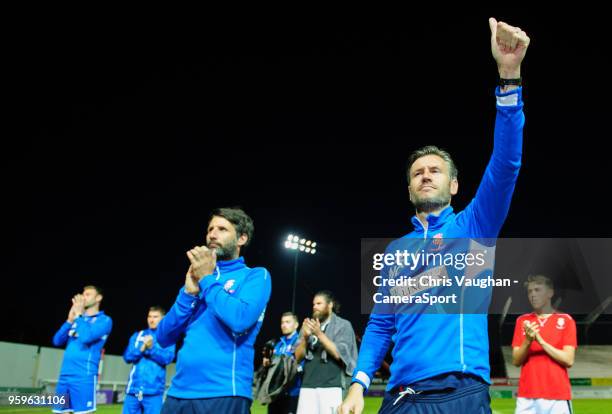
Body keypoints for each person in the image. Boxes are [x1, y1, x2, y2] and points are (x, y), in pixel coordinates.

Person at [339, 18, 530, 414]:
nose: (425, 175)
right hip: (401, 396)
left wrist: (509, 78)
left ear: (454, 186)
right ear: (409, 189)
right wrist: (358, 383)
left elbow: (506, 165)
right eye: (417, 173)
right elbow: (381, 323)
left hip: (459, 391)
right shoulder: (396, 250)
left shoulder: (474, 226)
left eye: (435, 170)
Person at [156, 207, 272, 414]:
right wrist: (188, 295)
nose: (212, 234)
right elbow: (163, 337)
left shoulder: (255, 276)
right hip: (178, 393)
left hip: (224, 392)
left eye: (222, 229)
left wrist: (207, 280)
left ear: (241, 239)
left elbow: (240, 319)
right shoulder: (199, 279)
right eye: (210, 229)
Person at [512, 275, 576, 414]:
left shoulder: (566, 320)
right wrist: (528, 341)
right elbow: (516, 360)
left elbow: (568, 360)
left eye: (537, 290)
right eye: (530, 291)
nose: (533, 295)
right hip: (527, 396)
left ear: (550, 293)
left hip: (557, 396)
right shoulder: (522, 321)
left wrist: (540, 341)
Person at [52, 285, 113, 414]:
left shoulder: (104, 320)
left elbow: (86, 337)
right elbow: (57, 341)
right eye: (83, 294)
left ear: (98, 298)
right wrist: (69, 320)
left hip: (83, 376)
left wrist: (79, 316)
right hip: (64, 376)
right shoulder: (77, 320)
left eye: (88, 294)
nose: (83, 298)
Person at [295, 291, 358, 414]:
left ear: (330, 305)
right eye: (313, 304)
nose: (314, 307)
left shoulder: (343, 325)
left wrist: (319, 334)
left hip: (332, 386)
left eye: (319, 303)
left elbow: (339, 354)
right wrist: (304, 338)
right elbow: (297, 357)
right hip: (307, 385)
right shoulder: (308, 325)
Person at [122, 306, 176, 414]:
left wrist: (151, 349)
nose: (151, 319)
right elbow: (127, 357)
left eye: (155, 317)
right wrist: (141, 349)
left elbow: (167, 359)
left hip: (154, 392)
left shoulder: (168, 337)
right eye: (149, 316)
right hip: (133, 390)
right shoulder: (138, 335)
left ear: (163, 318)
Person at [263, 312, 302, 414]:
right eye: (282, 322)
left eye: (288, 322)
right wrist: (267, 362)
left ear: (296, 325)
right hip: (275, 394)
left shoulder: (300, 342)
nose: (284, 325)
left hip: (292, 394)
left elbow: (299, 367)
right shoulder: (278, 344)